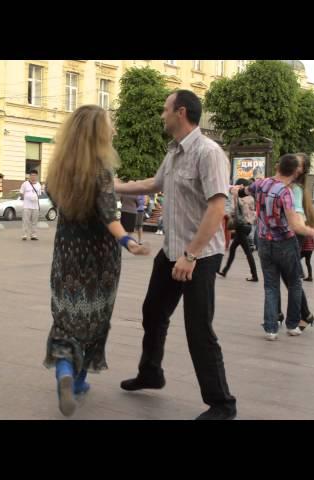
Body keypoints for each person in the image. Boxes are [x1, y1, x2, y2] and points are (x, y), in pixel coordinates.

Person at [115, 90, 237, 420]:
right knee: (152, 313)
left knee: (199, 328)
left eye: (165, 109)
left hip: (200, 256)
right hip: (171, 253)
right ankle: (151, 373)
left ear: (180, 112)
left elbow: (217, 207)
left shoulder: (209, 153)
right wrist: (113, 186)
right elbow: (152, 185)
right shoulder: (172, 153)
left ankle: (222, 404)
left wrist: (191, 255)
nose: (161, 115)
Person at [43, 105, 150, 417]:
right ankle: (77, 383)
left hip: (66, 254)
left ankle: (64, 369)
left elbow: (56, 200)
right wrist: (128, 240)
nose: (113, 131)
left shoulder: (57, 169)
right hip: (99, 260)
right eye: (109, 126)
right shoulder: (101, 170)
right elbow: (108, 214)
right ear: (97, 133)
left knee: (65, 319)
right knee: (93, 320)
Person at [244, 154, 314, 341]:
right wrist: (311, 231)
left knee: (270, 285)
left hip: (263, 241)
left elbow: (245, 190)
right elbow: (295, 225)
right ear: (295, 171)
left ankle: (270, 328)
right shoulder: (286, 193)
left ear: (278, 167)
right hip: (284, 242)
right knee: (294, 283)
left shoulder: (261, 183)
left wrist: (236, 189)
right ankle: (293, 325)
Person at [217, 178, 258, 281]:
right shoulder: (251, 198)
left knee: (248, 252)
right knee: (233, 248)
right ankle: (225, 271)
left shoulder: (241, 198)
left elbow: (238, 211)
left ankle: (255, 275)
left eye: (238, 187)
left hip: (241, 226)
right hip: (246, 226)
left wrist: (235, 197)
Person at [20, 169, 42, 241]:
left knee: (34, 221)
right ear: (29, 176)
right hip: (27, 206)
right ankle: (24, 235)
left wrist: (34, 198)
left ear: (37, 176)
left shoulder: (38, 185)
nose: (33, 177)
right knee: (26, 221)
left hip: (35, 206)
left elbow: (39, 195)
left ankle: (33, 235)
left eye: (35, 175)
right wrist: (26, 198)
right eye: (32, 175)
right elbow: (21, 193)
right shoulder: (25, 184)